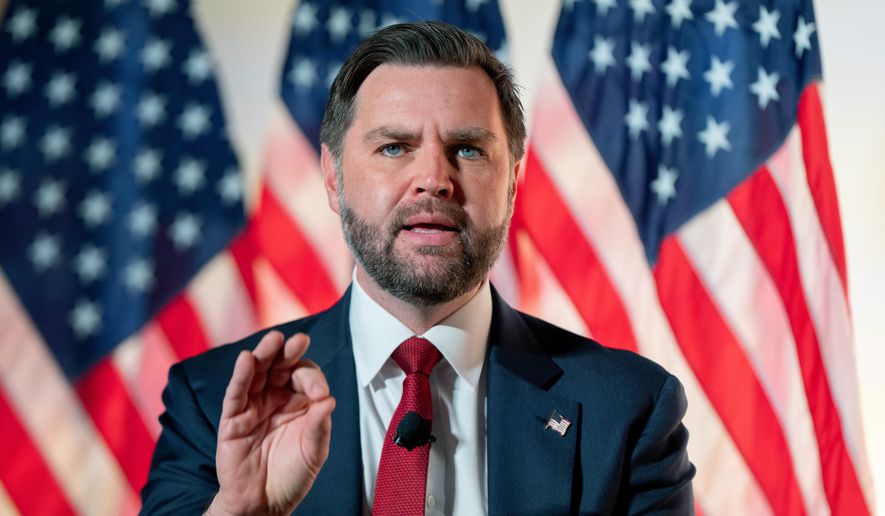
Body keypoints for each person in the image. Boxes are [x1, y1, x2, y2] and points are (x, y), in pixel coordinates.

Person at [141, 21, 695, 515]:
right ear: (333, 178)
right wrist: (240, 512)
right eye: (394, 147)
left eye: (469, 149)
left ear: (513, 181)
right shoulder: (212, 404)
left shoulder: (630, 411)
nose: (434, 178)